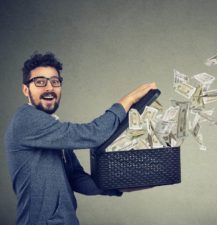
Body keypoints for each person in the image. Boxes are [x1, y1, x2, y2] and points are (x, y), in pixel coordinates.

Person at [4, 52, 157, 225]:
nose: (49, 88)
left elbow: (77, 178)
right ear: (26, 89)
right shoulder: (26, 119)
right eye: (40, 82)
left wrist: (120, 184)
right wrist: (127, 100)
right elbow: (93, 134)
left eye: (55, 81)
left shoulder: (53, 128)